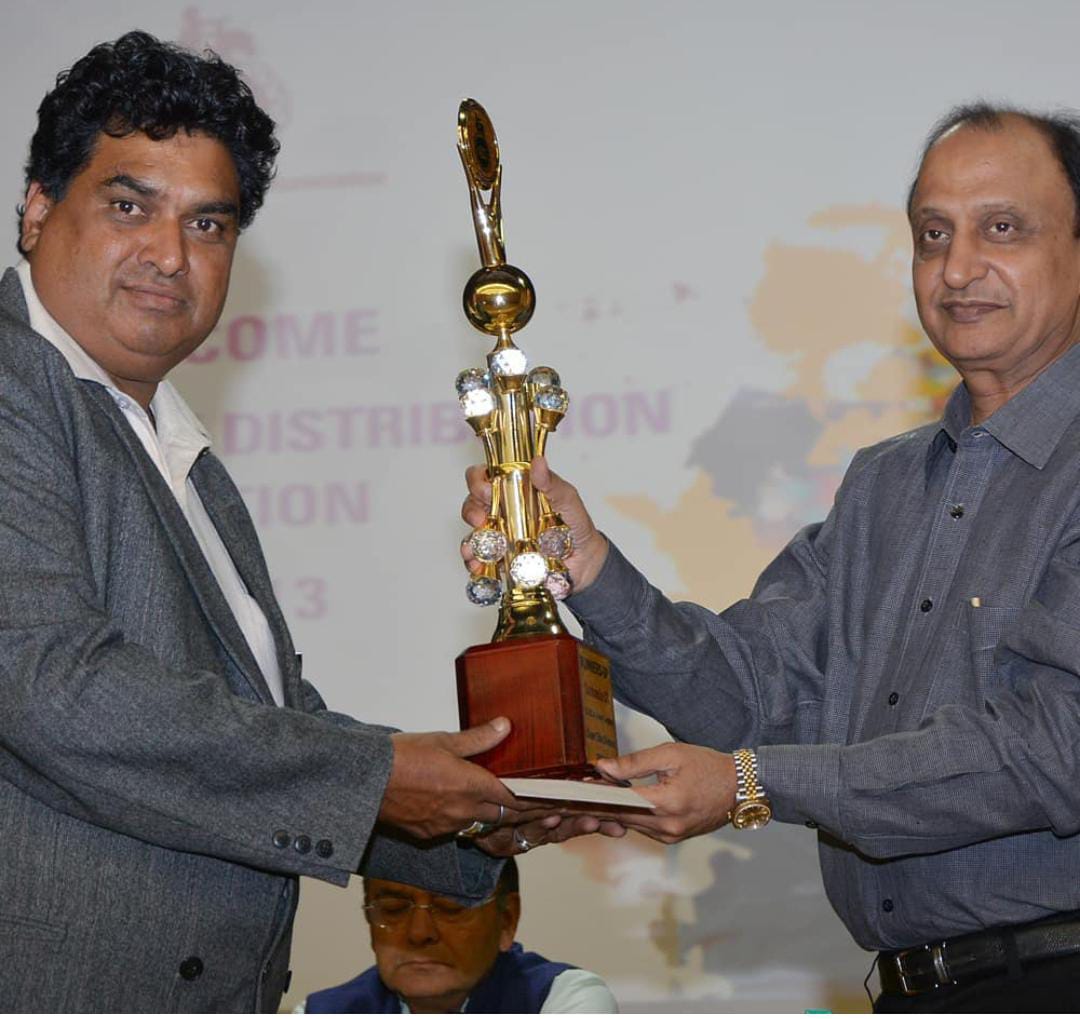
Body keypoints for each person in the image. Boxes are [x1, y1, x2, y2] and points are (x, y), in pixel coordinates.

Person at [0, 30, 594, 1013]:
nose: (168, 255)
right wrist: (377, 776)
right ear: (35, 210)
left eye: (208, 223)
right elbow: (51, 686)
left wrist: (477, 813)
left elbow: (275, 720)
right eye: (128, 205)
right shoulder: (15, 383)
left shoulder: (188, 458)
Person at [464, 102, 1080, 1011]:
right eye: (932, 233)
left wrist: (753, 783)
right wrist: (586, 564)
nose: (956, 269)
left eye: (1002, 229)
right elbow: (747, 693)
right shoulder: (882, 486)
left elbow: (1055, 746)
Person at [301, 858, 617, 1013]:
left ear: (506, 920)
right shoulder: (321, 1012)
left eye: (450, 908)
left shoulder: (562, 998)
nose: (419, 932)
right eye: (393, 909)